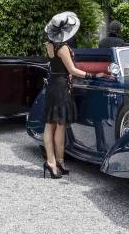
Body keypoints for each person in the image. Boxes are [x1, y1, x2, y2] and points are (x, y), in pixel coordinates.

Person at [42, 11, 104, 179]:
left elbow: (56, 67)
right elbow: (72, 70)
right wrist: (93, 75)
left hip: (53, 86)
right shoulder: (62, 47)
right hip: (61, 88)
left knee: (50, 125)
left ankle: (53, 162)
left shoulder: (49, 45)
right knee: (59, 126)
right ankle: (57, 162)